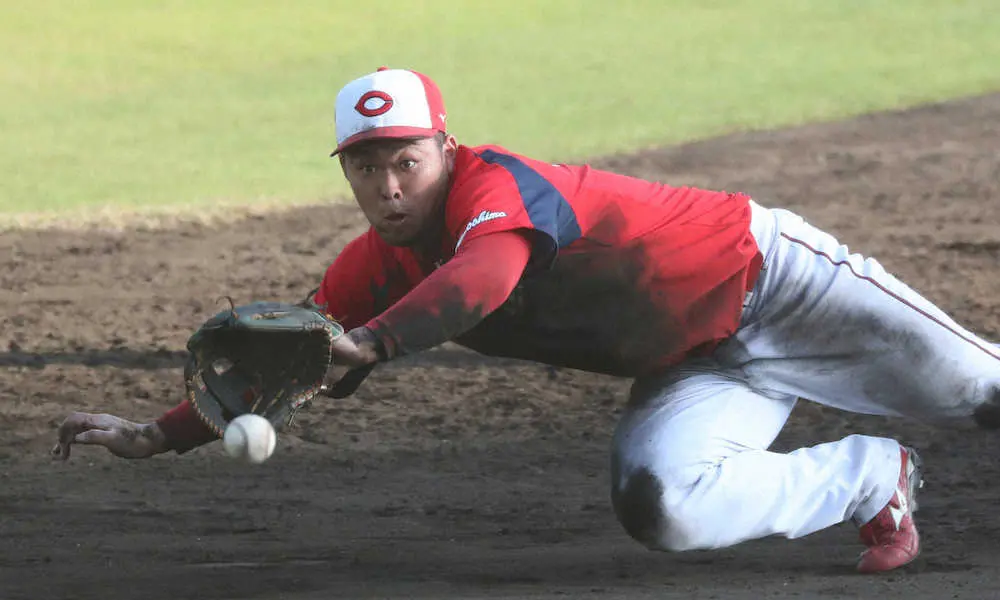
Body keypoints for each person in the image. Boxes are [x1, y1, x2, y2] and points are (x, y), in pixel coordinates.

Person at [54, 66, 1000, 574]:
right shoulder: (370, 265)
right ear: (345, 170)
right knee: (664, 503)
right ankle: (873, 475)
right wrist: (159, 433)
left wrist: (378, 339)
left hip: (777, 282)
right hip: (699, 361)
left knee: (987, 395)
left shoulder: (496, 188)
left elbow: (489, 273)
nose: (388, 187)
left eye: (406, 161)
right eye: (365, 167)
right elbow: (277, 361)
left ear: (445, 146)